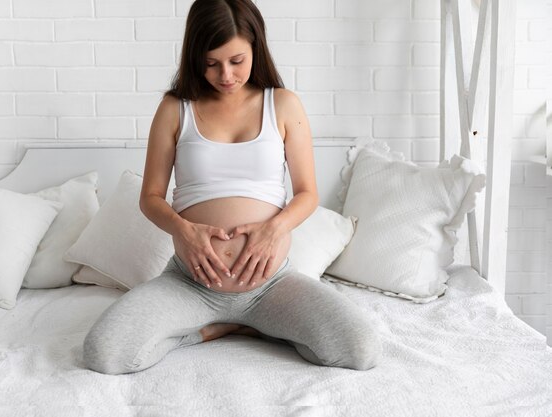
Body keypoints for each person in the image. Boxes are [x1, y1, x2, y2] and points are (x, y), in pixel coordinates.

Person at [83, 0, 381, 375]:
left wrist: (273, 230)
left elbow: (307, 193)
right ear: (195, 56)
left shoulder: (283, 105)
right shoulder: (176, 109)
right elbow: (151, 198)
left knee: (361, 348)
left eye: (237, 60)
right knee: (103, 352)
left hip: (270, 286)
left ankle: (260, 324)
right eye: (211, 63)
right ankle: (213, 331)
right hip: (191, 285)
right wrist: (184, 231)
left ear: (256, 47)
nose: (225, 74)